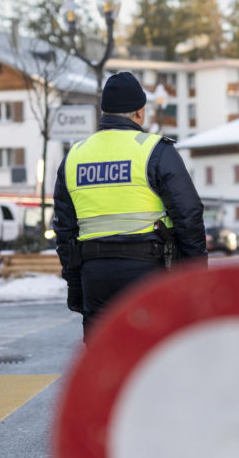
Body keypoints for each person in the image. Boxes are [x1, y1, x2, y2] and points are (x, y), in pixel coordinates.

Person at [53, 71, 207, 338]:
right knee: (149, 355)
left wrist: (75, 276)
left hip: (95, 272)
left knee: (104, 355)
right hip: (148, 271)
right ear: (140, 112)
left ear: (105, 113)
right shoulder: (155, 151)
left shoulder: (75, 156)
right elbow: (189, 215)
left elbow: (63, 228)